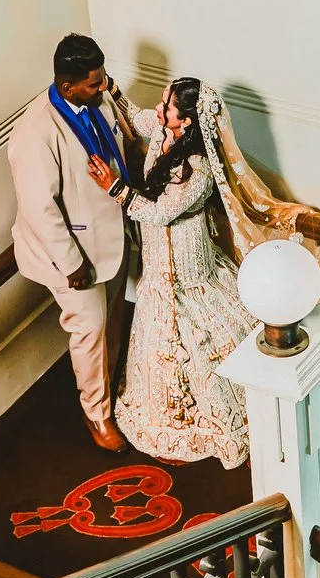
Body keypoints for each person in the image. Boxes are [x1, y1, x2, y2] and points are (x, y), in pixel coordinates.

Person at [94, 76, 262, 466]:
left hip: (187, 260)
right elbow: (138, 119)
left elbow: (161, 212)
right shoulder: (164, 132)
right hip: (157, 258)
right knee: (157, 335)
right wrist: (112, 89)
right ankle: (170, 419)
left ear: (185, 121)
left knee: (198, 334)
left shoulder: (199, 167)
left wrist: (115, 187)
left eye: (167, 105)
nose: (159, 108)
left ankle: (214, 422)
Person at [7, 33, 155, 452]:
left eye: (103, 77)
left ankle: (112, 382)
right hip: (71, 255)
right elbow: (40, 210)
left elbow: (120, 145)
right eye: (94, 82)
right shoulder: (34, 134)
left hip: (113, 233)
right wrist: (71, 264)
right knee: (88, 329)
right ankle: (97, 414)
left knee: (112, 319)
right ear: (67, 86)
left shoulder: (97, 98)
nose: (103, 86)